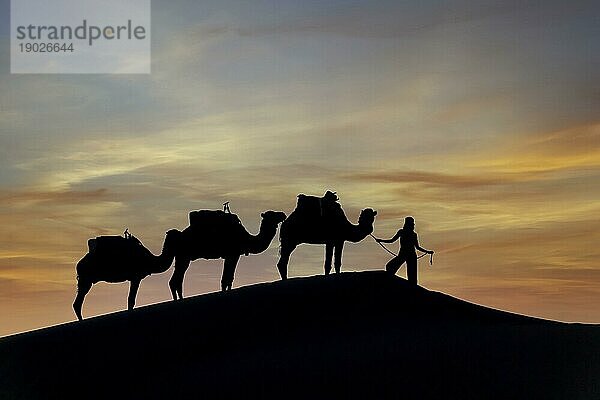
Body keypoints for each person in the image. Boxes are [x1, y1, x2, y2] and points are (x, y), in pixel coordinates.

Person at [375, 216, 434, 285]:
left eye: (412, 224)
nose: (413, 225)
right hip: (405, 254)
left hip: (409, 255)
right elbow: (392, 240)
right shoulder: (403, 232)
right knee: (390, 267)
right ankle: (389, 282)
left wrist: (427, 251)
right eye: (411, 224)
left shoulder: (411, 234)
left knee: (412, 276)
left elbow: (417, 247)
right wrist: (381, 240)